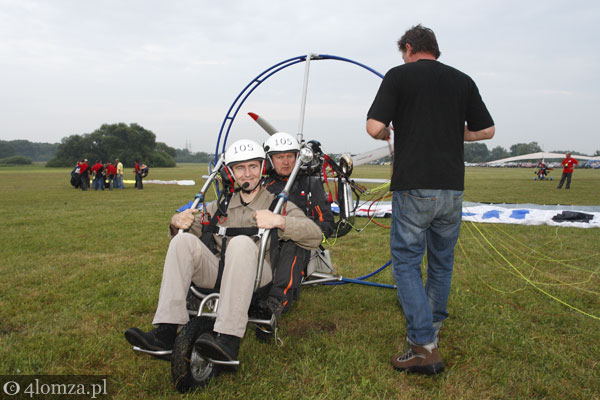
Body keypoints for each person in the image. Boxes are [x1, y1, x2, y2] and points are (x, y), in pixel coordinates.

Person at [366, 24, 495, 375]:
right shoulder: (462, 80)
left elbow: (374, 127)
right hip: (452, 187)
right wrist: (455, 130)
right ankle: (431, 330)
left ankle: (423, 344)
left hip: (414, 186)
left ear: (409, 49)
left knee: (406, 261)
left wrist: (387, 128)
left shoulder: (399, 76)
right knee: (442, 261)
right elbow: (486, 130)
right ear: (433, 49)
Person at [124, 139, 322, 365]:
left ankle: (228, 338)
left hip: (258, 274)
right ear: (230, 174)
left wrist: (281, 221)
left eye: (253, 167)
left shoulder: (277, 204)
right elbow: (191, 226)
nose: (247, 174)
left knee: (240, 243)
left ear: (262, 168)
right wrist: (176, 221)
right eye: (240, 168)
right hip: (219, 269)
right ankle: (166, 332)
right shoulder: (221, 206)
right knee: (182, 242)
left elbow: (314, 235)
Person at [262, 132, 335, 313]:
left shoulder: (309, 184)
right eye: (280, 157)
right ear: (270, 160)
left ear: (298, 157)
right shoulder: (262, 185)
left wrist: (303, 229)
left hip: (298, 243)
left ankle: (277, 303)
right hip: (265, 242)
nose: (286, 162)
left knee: (294, 243)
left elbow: (327, 224)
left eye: (290, 156)